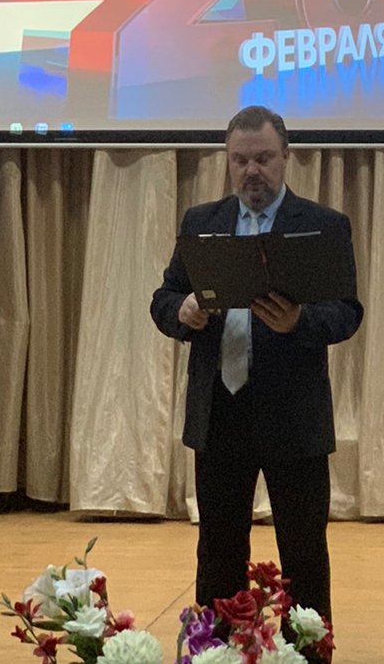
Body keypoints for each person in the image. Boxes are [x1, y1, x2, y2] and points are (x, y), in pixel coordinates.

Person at [151, 105, 363, 625]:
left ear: (287, 156)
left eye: (264, 159)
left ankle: (308, 652)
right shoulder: (202, 222)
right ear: (227, 160)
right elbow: (164, 297)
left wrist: (299, 322)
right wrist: (182, 311)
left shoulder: (322, 225)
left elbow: (347, 312)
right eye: (240, 160)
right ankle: (219, 651)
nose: (252, 171)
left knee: (304, 553)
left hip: (294, 415)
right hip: (219, 412)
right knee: (218, 551)